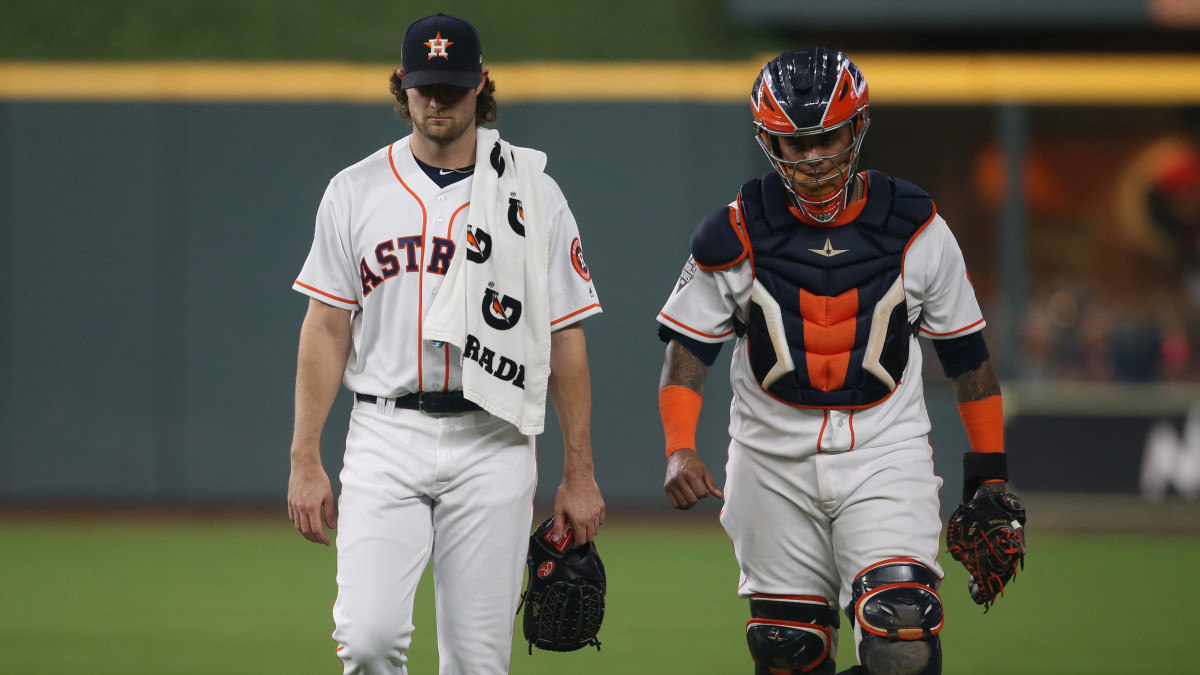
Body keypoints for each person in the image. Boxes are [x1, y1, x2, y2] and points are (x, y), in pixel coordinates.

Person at [655, 48, 1022, 674]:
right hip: (769, 461)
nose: (814, 157)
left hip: (885, 451)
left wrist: (988, 476)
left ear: (857, 128)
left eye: (827, 136)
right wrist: (680, 447)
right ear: (770, 143)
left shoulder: (917, 228)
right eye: (794, 144)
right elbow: (689, 351)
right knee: (787, 651)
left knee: (902, 632)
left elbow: (968, 358)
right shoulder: (734, 232)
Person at [286, 13, 604, 675]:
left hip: (494, 435)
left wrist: (580, 471)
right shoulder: (353, 191)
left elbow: (564, 336)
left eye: (452, 88)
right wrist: (304, 456)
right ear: (401, 85)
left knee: (477, 664)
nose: (437, 100)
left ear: (482, 84)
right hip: (383, 433)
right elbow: (325, 326)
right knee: (369, 641)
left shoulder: (533, 193)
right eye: (425, 86)